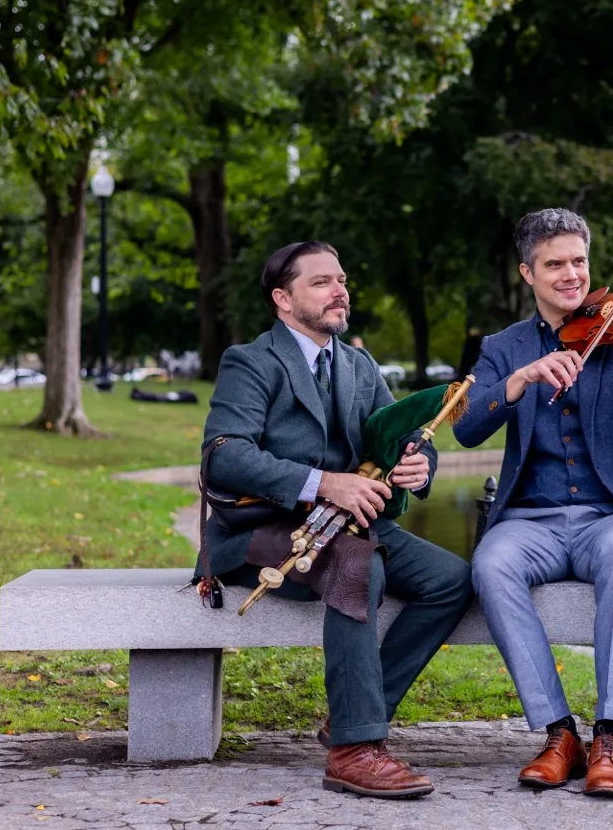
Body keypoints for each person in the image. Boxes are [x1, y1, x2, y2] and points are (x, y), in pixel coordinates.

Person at [201, 241, 473, 799]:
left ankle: (349, 716)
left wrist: (418, 467)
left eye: (341, 279)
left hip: (347, 524)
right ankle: (354, 750)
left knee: (451, 580)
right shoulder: (250, 362)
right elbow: (225, 453)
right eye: (321, 281)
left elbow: (400, 436)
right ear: (283, 298)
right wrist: (326, 483)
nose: (339, 290)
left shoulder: (358, 362)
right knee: (361, 566)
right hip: (257, 531)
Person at [453, 208, 613, 797]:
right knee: (491, 563)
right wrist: (519, 381)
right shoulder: (503, 347)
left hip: (609, 515)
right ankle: (560, 733)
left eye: (579, 261)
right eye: (555, 264)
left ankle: (610, 734)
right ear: (527, 273)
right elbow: (464, 428)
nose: (571, 275)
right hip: (529, 518)